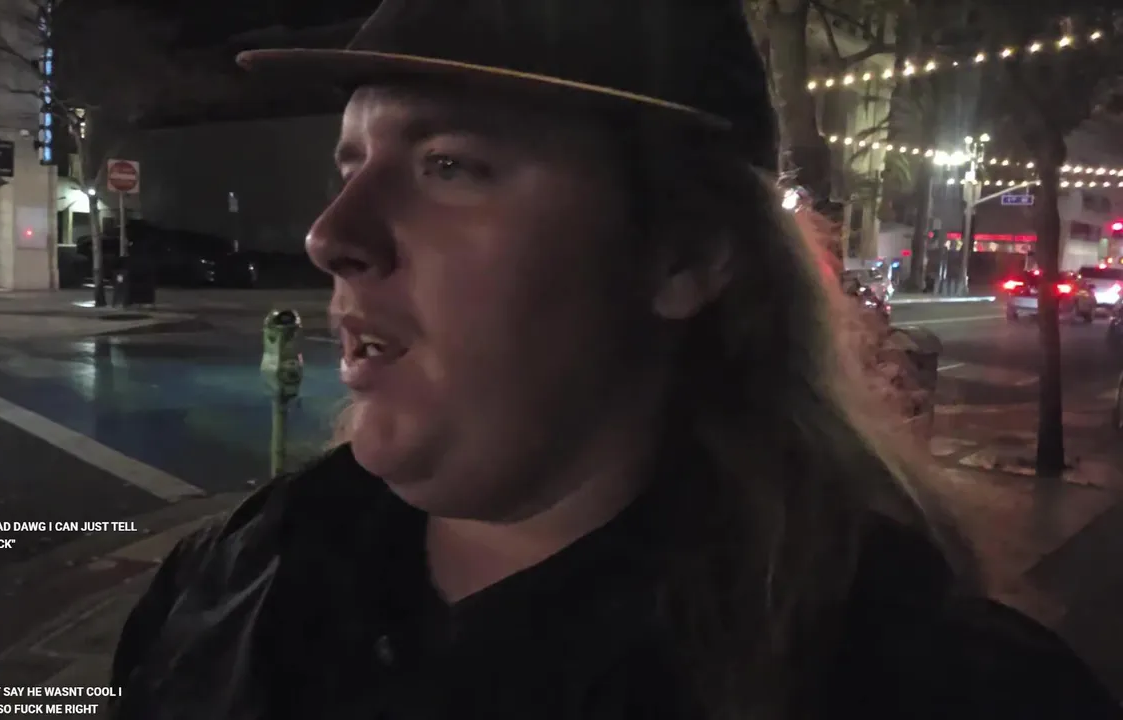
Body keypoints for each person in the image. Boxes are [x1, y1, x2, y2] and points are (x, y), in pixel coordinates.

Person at [108, 0, 1123, 718]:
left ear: (683, 253)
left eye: (450, 165)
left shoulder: (935, 687)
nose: (331, 234)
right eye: (349, 165)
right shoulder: (229, 576)